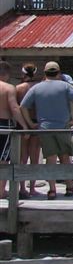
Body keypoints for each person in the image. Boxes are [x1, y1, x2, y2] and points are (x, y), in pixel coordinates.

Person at [19, 61, 73, 199]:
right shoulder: (66, 86)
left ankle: (52, 190)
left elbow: (23, 106)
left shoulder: (37, 88)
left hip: (45, 128)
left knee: (50, 158)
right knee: (65, 157)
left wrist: (30, 123)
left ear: (45, 73)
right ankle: (70, 187)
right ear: (59, 73)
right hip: (63, 127)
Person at [0, 62, 30, 199]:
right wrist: (24, 125)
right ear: (6, 74)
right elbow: (14, 108)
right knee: (4, 159)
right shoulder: (8, 88)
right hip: (4, 125)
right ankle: (0, 191)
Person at [15, 63, 42, 198]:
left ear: (23, 73)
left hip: (22, 125)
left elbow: (16, 108)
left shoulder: (18, 88)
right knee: (34, 157)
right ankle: (32, 188)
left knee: (22, 158)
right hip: (36, 124)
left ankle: (22, 188)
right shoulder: (39, 87)